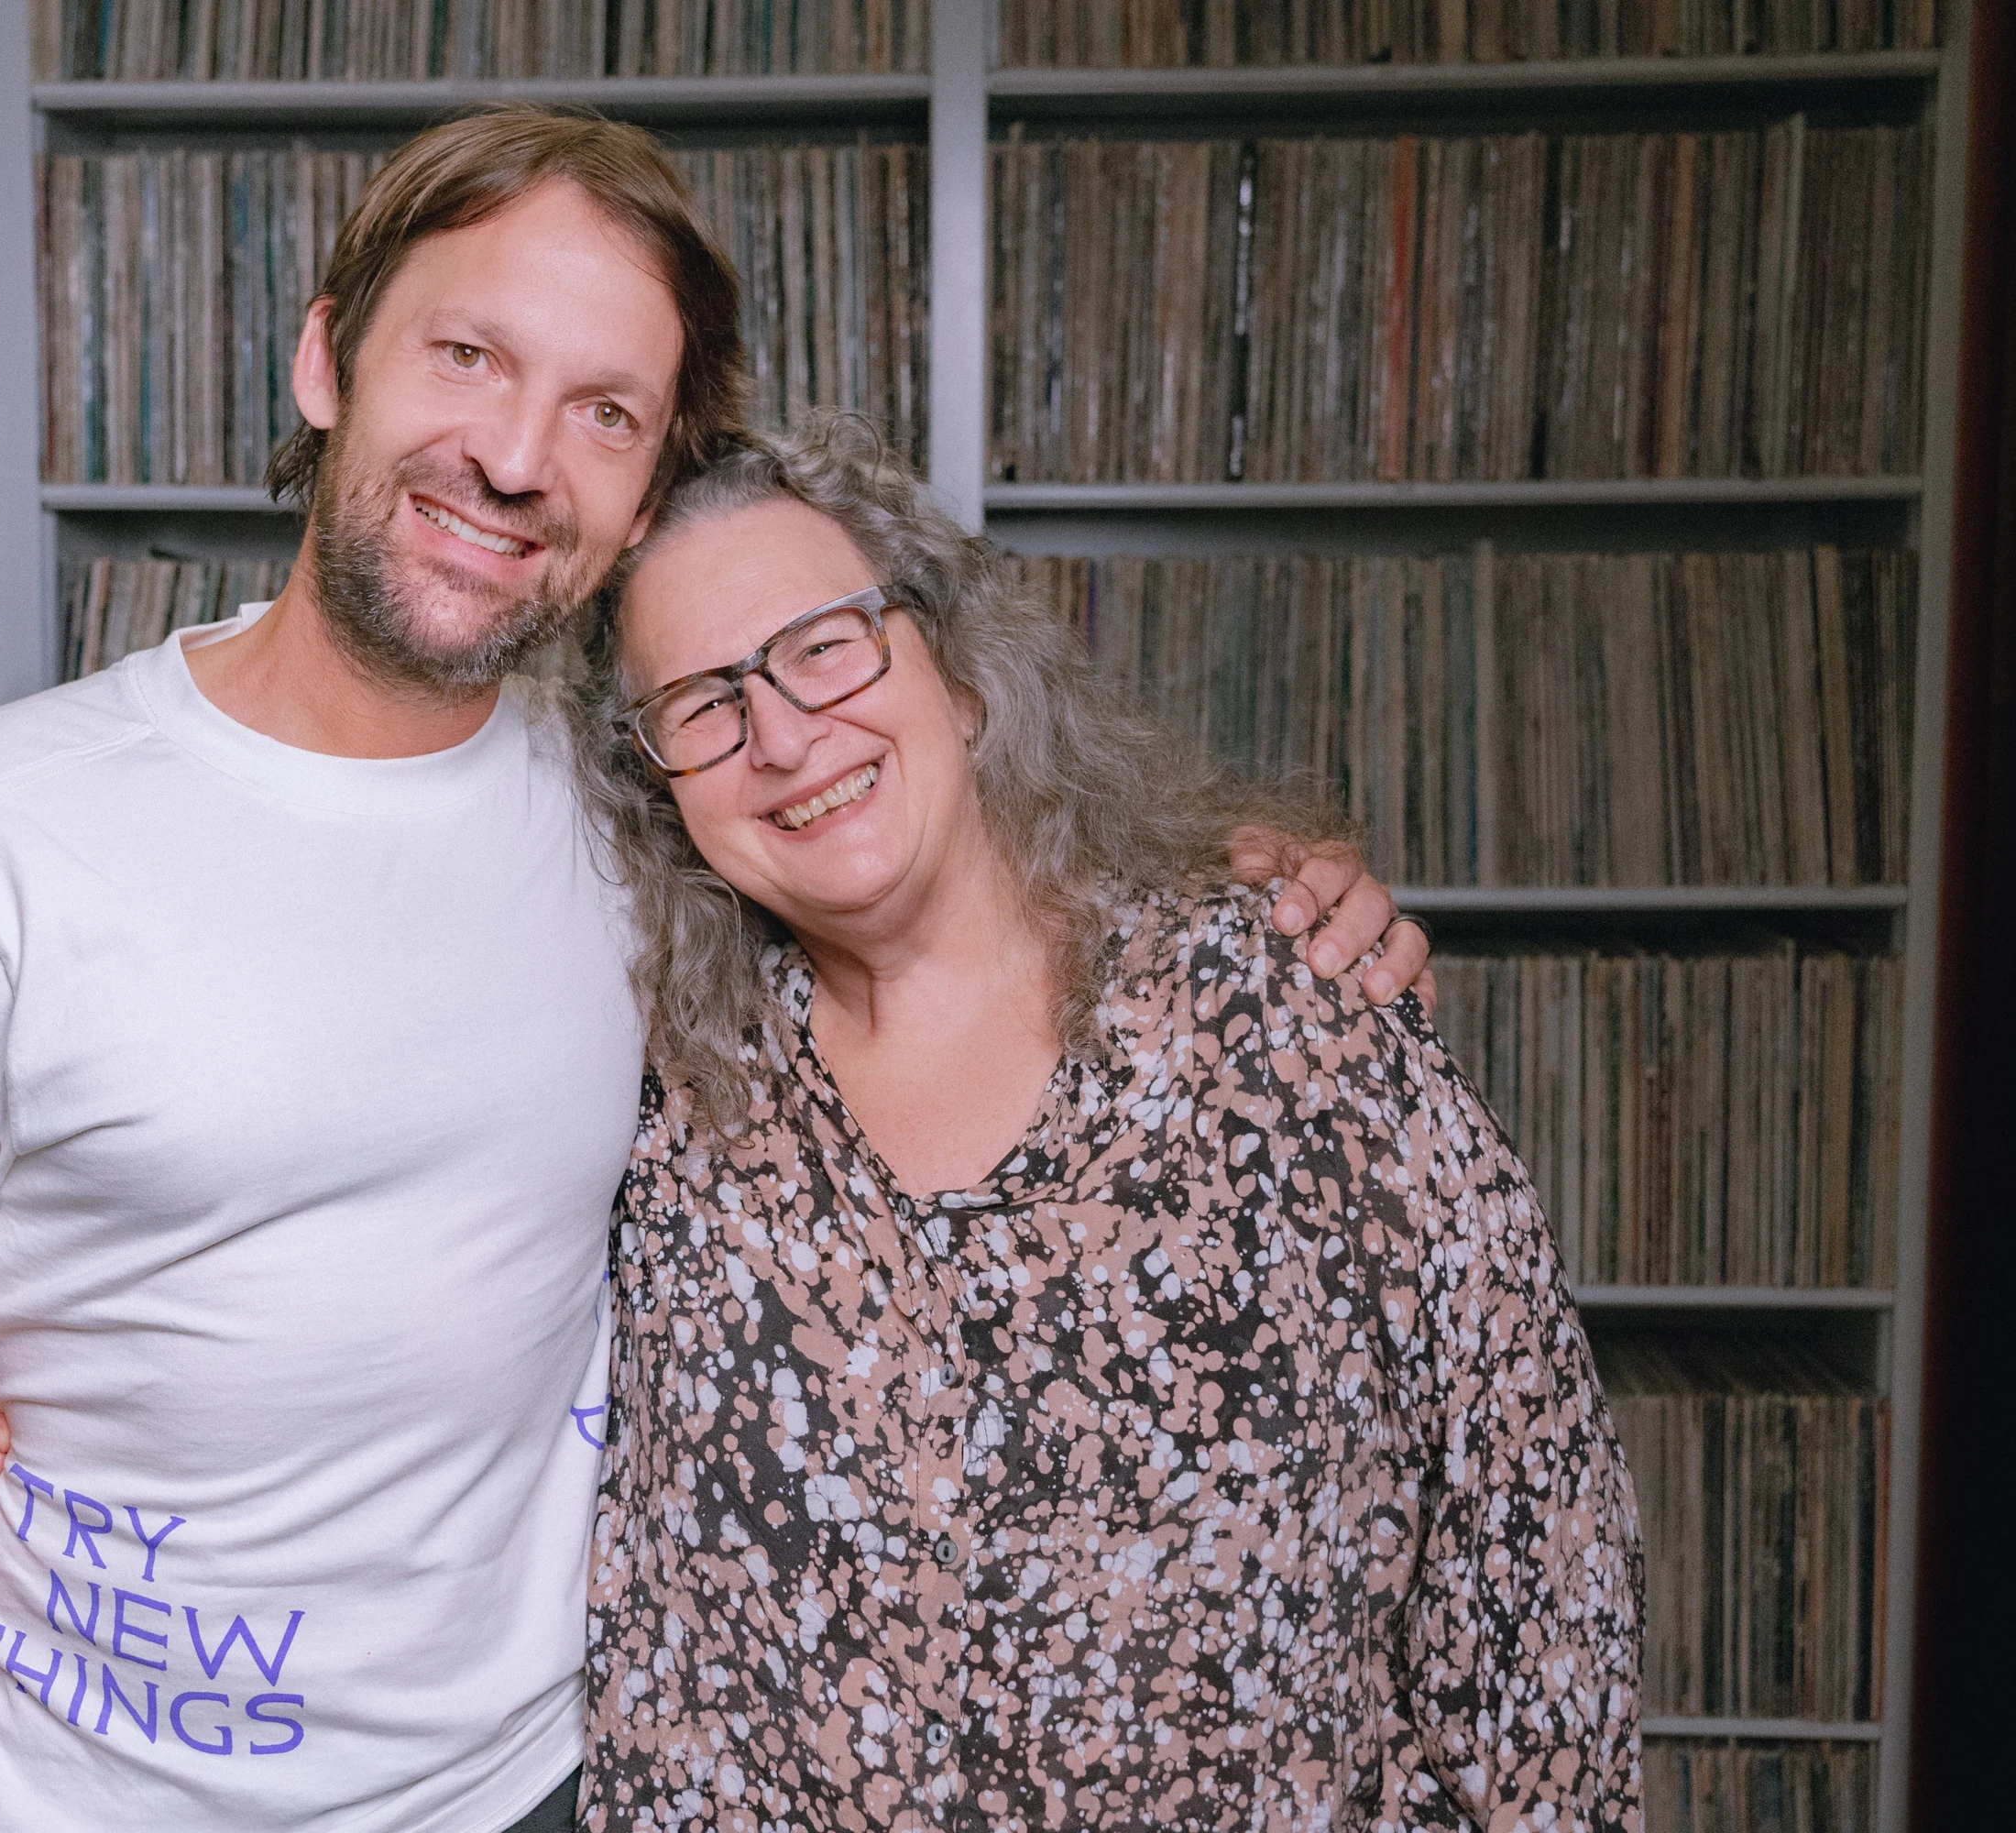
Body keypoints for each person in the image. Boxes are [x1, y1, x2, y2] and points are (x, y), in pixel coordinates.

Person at [0, 108, 1428, 1833]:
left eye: (603, 413)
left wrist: (1240, 892)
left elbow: (953, 893)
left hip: (549, 1791)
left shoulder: (667, 807)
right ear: (329, 358)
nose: (517, 456)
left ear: (643, 492)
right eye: (468, 356)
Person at [563, 420, 1643, 1828]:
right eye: (704, 704)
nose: (780, 734)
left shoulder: (1286, 1004)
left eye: (823, 645)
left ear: (953, 672)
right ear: (665, 789)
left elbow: (1535, 1537)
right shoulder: (667, 1105)